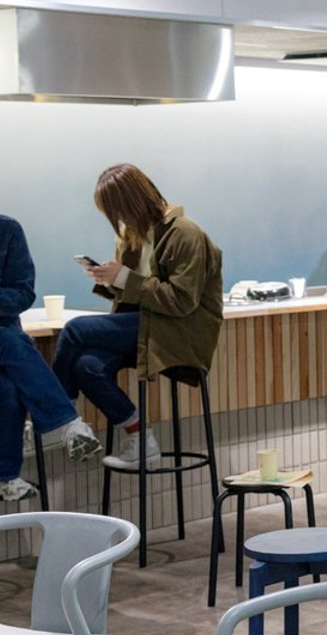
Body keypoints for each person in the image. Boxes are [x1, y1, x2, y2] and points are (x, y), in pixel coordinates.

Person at [52, 164, 222, 470]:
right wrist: (110, 281)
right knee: (87, 366)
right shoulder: (130, 237)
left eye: (117, 211)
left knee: (75, 329)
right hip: (142, 327)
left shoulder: (185, 234)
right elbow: (135, 292)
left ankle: (58, 418)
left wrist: (123, 278)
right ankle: (141, 440)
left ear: (133, 202)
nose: (117, 220)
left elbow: (181, 301)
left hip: (177, 332)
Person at [0, 211, 101, 499]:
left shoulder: (6, 230)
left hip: (0, 342)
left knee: (7, 387)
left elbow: (23, 294)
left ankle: (1, 477)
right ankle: (67, 425)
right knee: (11, 340)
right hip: (5, 340)